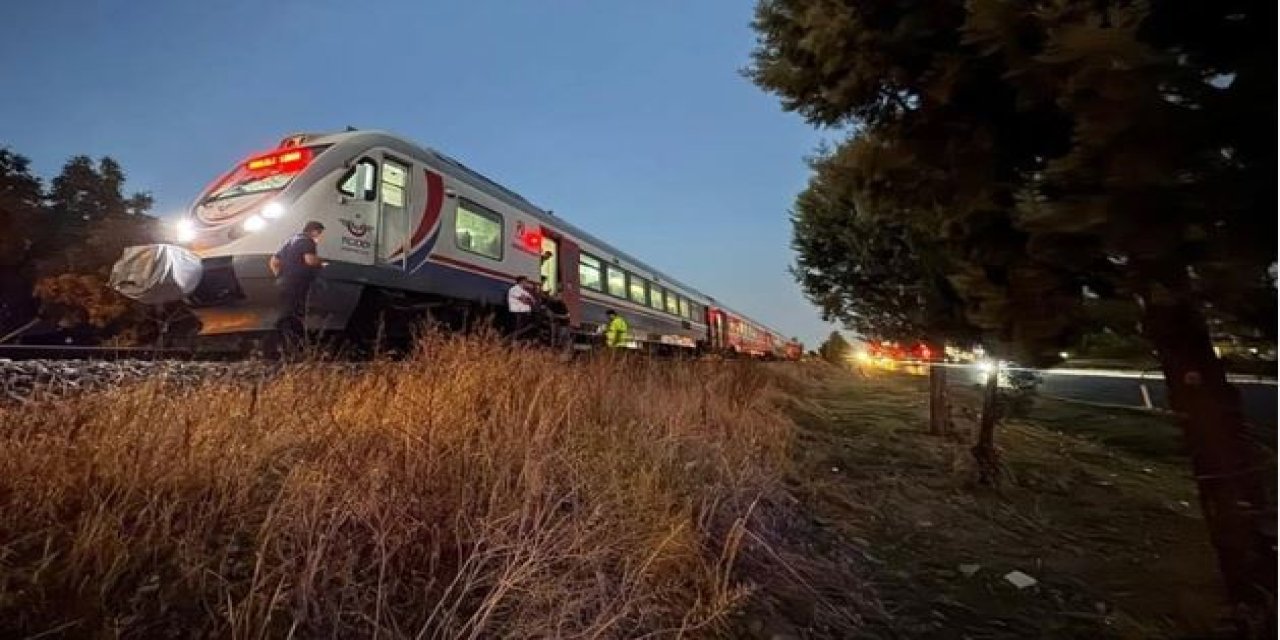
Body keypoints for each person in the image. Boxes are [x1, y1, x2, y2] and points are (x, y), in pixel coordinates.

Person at [269, 221, 325, 350]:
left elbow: (274, 261)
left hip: (284, 282)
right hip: (298, 282)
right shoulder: (308, 241)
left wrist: (280, 276)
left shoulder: (290, 240)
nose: (319, 236)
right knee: (295, 313)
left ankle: (282, 343)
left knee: (285, 311)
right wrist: (321, 262)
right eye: (320, 233)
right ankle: (290, 344)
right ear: (314, 231)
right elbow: (310, 260)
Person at [507, 275, 538, 341]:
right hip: (517, 312)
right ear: (521, 282)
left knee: (524, 329)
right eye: (526, 282)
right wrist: (529, 301)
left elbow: (534, 300)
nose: (527, 283)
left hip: (525, 312)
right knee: (518, 329)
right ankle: (511, 341)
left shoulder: (525, 291)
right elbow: (523, 299)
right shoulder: (514, 289)